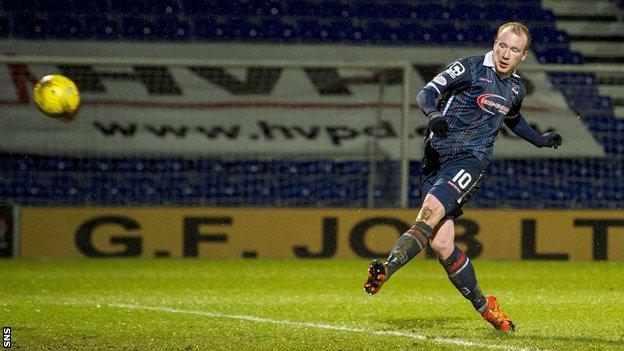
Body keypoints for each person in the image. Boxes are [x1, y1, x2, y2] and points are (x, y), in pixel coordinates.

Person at [363, 22, 562, 332]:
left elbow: (512, 117)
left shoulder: (516, 88)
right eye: (502, 46)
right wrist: (434, 114)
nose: (506, 54)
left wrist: (538, 139)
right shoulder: (468, 68)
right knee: (442, 245)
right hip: (435, 159)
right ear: (494, 43)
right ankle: (488, 308)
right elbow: (426, 93)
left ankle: (385, 270)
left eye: (514, 50)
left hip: (471, 160)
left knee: (426, 219)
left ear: (523, 56)